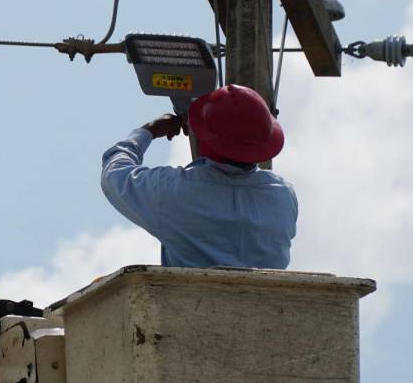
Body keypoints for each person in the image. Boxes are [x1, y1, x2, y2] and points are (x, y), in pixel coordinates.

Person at [100, 84, 298, 269]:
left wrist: (148, 131)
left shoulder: (174, 192)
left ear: (205, 137)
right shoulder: (283, 196)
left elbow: (114, 175)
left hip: (191, 306)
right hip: (266, 306)